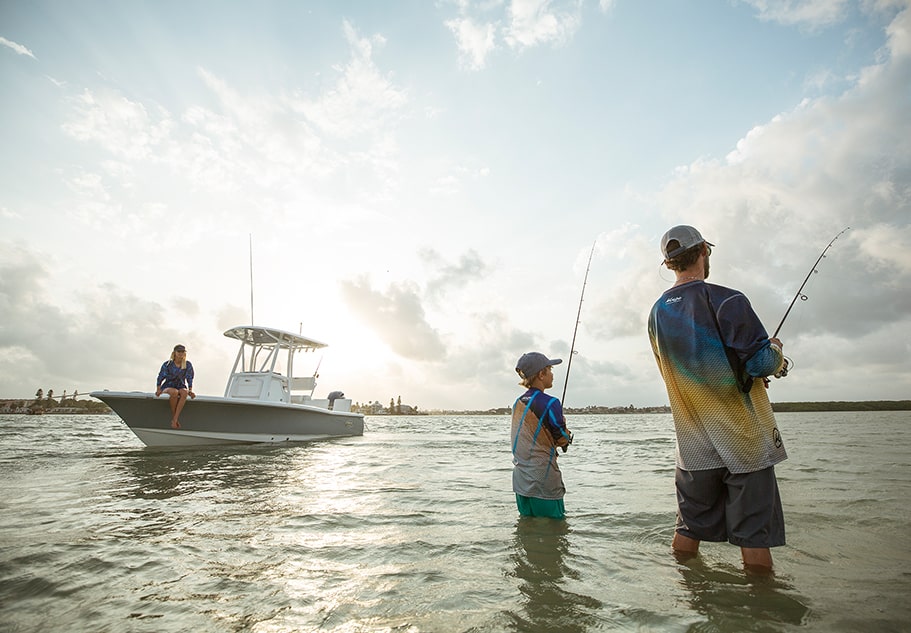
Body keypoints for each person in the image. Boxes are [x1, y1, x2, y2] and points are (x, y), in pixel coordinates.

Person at [647, 225, 788, 572]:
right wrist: (777, 355)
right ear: (704, 252)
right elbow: (759, 362)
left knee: (687, 531)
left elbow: (689, 369)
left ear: (669, 264)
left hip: (691, 447)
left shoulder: (655, 314)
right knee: (754, 537)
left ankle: (688, 599)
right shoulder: (728, 299)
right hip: (743, 442)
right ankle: (761, 614)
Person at [510, 352, 574, 520]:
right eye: (550, 369)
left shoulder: (517, 403)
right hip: (544, 482)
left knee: (528, 530)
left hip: (521, 482)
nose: (552, 374)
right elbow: (561, 439)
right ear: (541, 374)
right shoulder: (551, 403)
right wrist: (567, 434)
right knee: (554, 532)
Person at [155, 344, 196, 429]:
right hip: (168, 385)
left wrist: (190, 390)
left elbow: (190, 377)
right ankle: (175, 419)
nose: (181, 353)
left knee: (184, 392)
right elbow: (161, 376)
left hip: (180, 385)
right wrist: (158, 389)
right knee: (174, 392)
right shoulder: (167, 364)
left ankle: (175, 419)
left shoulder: (187, 364)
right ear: (174, 353)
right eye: (179, 351)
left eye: (183, 351)